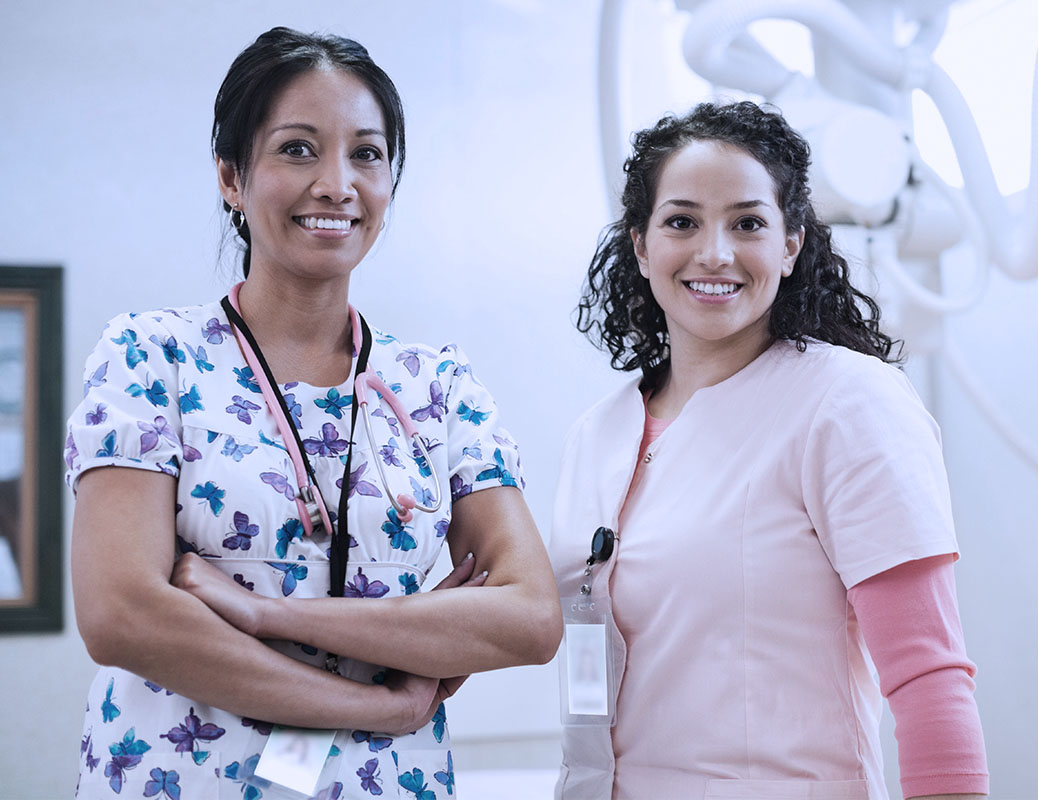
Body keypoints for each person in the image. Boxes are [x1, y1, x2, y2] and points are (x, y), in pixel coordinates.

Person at [66, 27, 561, 799]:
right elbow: (122, 615)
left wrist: (263, 615)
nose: (337, 183)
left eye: (366, 153)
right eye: (298, 149)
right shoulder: (148, 357)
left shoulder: (438, 387)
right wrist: (378, 702)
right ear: (231, 176)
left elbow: (530, 619)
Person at [551, 101, 989, 800]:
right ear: (640, 244)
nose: (715, 252)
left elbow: (926, 674)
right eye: (682, 221)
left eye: (748, 223)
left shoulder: (847, 404)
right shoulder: (595, 436)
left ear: (791, 244)